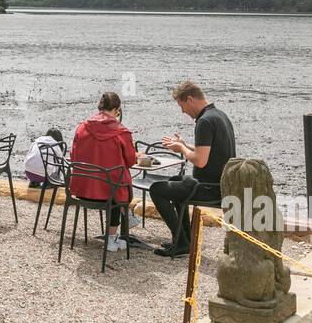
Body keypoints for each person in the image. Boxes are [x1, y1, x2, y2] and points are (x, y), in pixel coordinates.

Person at [152, 81, 237, 258]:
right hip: (219, 185)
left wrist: (182, 150)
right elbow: (207, 151)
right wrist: (184, 144)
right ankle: (184, 240)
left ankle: (182, 242)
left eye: (181, 106)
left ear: (190, 99)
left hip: (208, 188)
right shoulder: (219, 115)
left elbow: (200, 160)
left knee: (157, 189)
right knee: (174, 181)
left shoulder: (204, 121)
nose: (183, 112)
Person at [69, 92, 137, 253]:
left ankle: (127, 216)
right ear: (117, 110)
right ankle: (112, 237)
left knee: (113, 184)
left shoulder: (82, 127)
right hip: (109, 195)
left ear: (99, 107)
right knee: (117, 188)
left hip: (82, 190)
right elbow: (131, 161)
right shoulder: (122, 132)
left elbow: (73, 156)